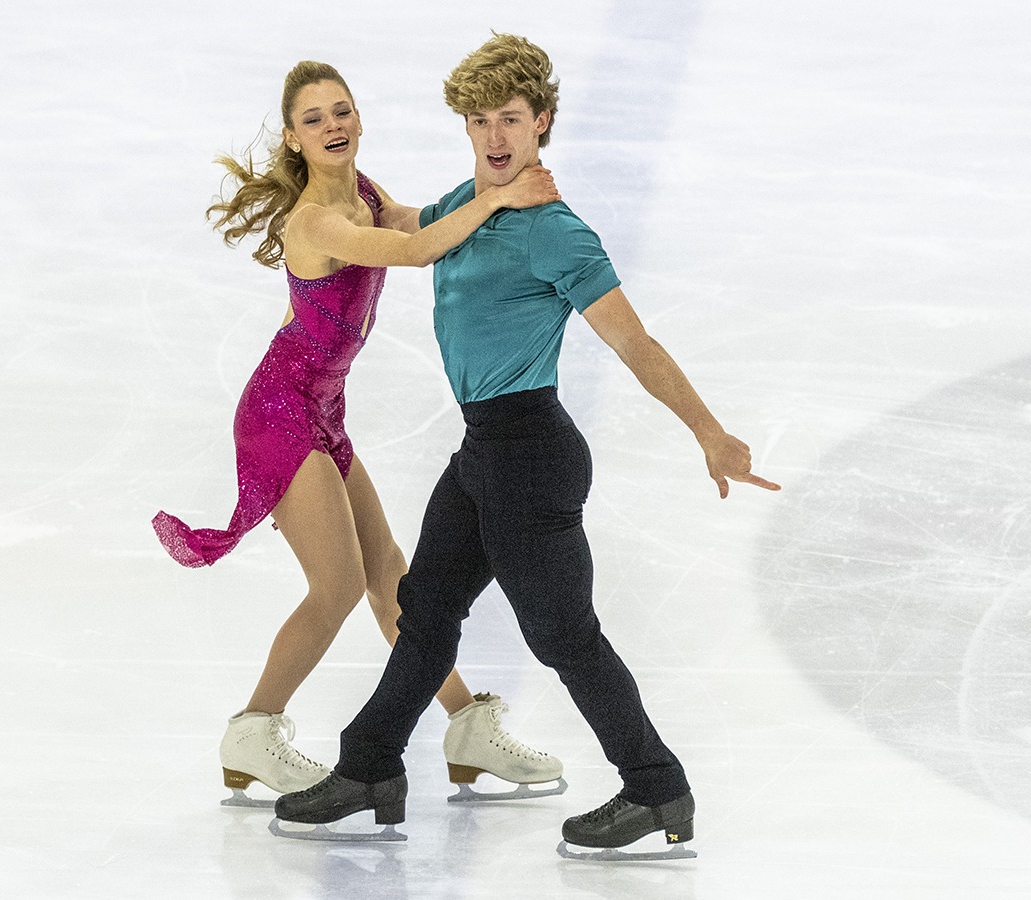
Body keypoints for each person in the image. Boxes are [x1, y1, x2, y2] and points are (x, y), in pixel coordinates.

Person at [272, 35, 781, 857]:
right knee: (426, 610)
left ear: (542, 121)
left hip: (531, 452)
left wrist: (709, 431)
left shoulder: (555, 232)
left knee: (562, 634)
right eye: (479, 121)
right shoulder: (465, 206)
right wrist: (323, 183)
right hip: (484, 452)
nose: (496, 137)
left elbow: (635, 344)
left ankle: (657, 788)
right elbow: (400, 228)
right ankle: (369, 766)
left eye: (511, 118)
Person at [151, 61, 568, 808]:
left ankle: (466, 724)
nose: (333, 126)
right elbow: (413, 252)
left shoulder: (364, 191)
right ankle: (252, 730)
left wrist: (492, 188)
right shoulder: (315, 219)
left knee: (393, 582)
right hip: (279, 413)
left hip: (322, 409)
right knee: (339, 585)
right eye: (314, 119)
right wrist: (503, 193)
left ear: (359, 119)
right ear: (294, 138)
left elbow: (412, 221)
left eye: (341, 111)